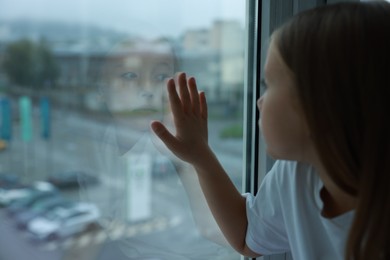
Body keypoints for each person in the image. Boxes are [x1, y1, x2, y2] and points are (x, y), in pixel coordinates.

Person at [150, 2, 390, 259]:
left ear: (321, 103)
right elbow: (247, 237)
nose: (259, 101)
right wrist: (200, 155)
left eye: (268, 83)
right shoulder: (298, 171)